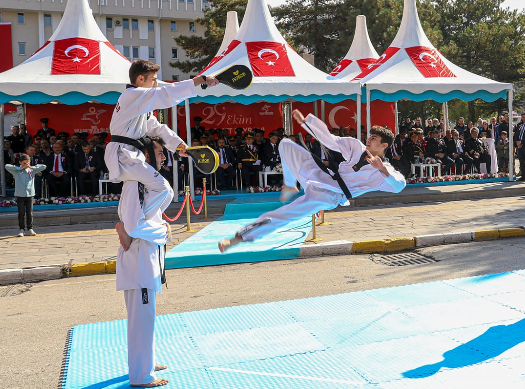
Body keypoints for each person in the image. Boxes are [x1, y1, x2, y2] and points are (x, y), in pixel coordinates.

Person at [219, 112, 406, 253]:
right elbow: (329, 139)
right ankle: (290, 184)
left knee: (286, 214)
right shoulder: (357, 146)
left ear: (384, 146)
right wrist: (307, 122)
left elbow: (399, 186)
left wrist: (382, 169)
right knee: (286, 145)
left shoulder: (385, 171)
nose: (368, 139)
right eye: (370, 136)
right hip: (321, 176)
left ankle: (239, 238)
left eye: (374, 139)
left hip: (329, 195)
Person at [105, 60, 218, 216]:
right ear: (140, 79)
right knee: (163, 190)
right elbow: (165, 94)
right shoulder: (133, 95)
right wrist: (198, 80)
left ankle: (132, 225)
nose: (156, 84)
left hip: (127, 156)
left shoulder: (138, 102)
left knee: (135, 195)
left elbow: (156, 128)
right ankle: (141, 223)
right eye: (153, 79)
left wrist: (178, 145)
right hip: (124, 156)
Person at [113, 139, 172, 388]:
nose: (163, 158)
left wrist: (160, 228)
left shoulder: (145, 185)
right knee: (141, 320)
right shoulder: (134, 185)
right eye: (159, 153)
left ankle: (147, 361)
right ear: (145, 156)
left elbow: (135, 226)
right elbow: (132, 226)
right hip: (139, 263)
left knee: (146, 317)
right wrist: (163, 231)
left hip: (145, 259)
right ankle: (141, 374)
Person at [5, 153, 46, 237]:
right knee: (21, 212)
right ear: (20, 162)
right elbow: (7, 166)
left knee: (29, 212)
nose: (26, 165)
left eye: (27, 163)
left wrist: (32, 167)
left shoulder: (31, 170)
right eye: (24, 163)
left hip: (30, 193)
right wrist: (19, 167)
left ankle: (30, 228)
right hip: (20, 194)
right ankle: (21, 229)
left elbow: (43, 166)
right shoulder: (16, 171)